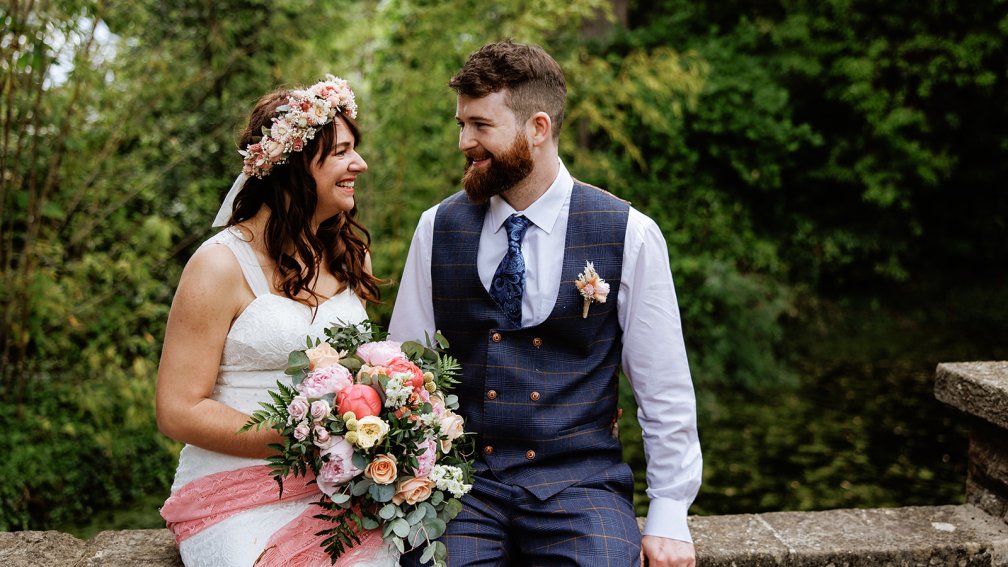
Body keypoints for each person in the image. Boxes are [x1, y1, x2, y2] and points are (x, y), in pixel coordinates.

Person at [389, 41, 702, 567]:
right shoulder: (436, 227)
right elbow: (405, 372)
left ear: (537, 127)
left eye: (480, 126)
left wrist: (669, 512)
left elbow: (662, 386)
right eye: (460, 124)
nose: (464, 141)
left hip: (581, 486)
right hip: (461, 487)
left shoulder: (629, 232)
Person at [156, 76, 398, 566]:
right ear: (292, 166)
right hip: (235, 487)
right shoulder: (219, 265)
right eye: (342, 152)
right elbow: (177, 410)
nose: (360, 164)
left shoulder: (353, 257)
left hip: (338, 485)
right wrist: (303, 439)